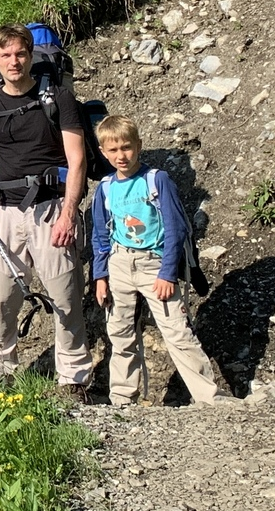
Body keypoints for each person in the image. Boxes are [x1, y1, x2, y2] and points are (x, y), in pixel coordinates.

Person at [0, 24, 91, 399]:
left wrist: (69, 213)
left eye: (20, 53)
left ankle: (73, 378)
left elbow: (78, 158)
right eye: (5, 55)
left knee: (66, 298)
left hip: (51, 208)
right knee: (2, 302)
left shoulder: (59, 98)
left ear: (31, 55)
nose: (13, 61)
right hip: (2, 214)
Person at [90, 115, 222, 407]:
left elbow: (175, 229)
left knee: (177, 330)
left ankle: (208, 398)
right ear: (102, 152)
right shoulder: (106, 188)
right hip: (119, 265)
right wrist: (100, 277)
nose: (120, 156)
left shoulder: (156, 180)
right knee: (120, 333)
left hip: (154, 264)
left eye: (126, 147)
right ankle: (122, 399)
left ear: (138, 146)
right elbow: (100, 235)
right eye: (113, 150)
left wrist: (167, 273)